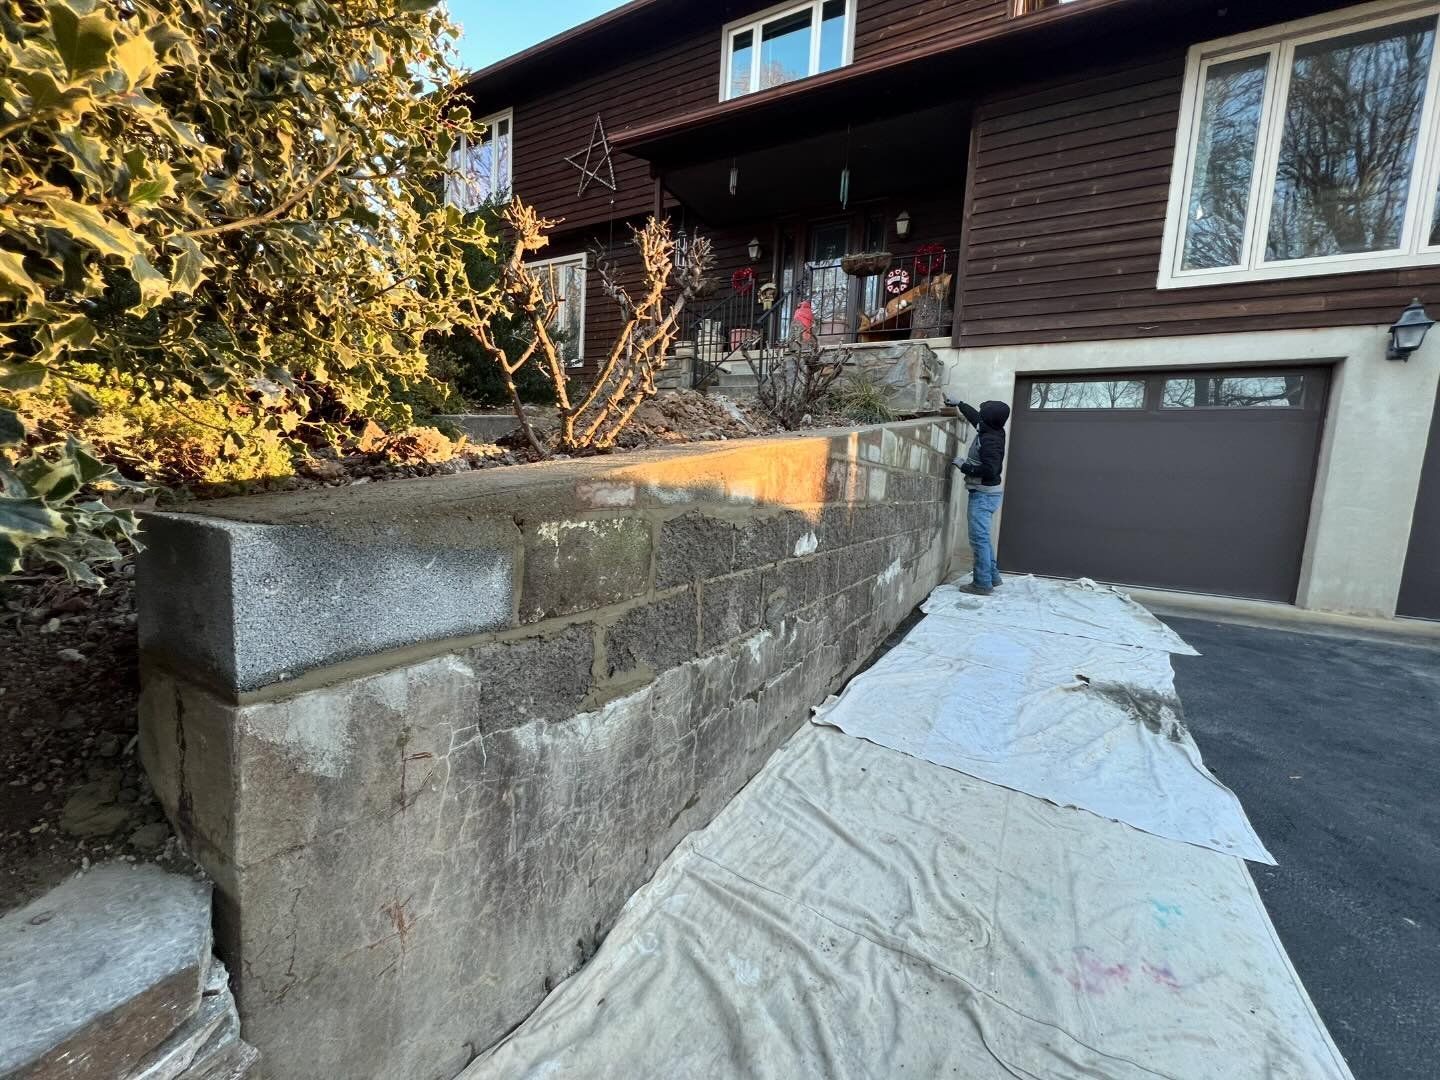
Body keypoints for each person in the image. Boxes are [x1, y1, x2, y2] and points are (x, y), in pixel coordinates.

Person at [945, 395, 1011, 595]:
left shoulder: (990, 441)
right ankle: (993, 577)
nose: (979, 419)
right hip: (988, 494)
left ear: (988, 420)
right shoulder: (992, 429)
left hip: (983, 496)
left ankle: (982, 584)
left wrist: (964, 466)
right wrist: (960, 404)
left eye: (983, 416)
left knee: (978, 540)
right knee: (982, 538)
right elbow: (976, 419)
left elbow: (991, 470)